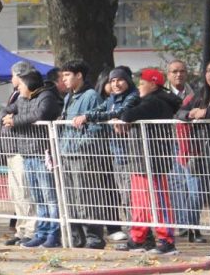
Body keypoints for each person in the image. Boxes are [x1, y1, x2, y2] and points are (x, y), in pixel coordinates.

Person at [116, 68, 181, 254]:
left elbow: (127, 115)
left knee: (158, 202)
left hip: (153, 161)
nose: (138, 87)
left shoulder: (155, 101)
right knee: (140, 203)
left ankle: (166, 240)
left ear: (153, 84)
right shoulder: (150, 99)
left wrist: (125, 113)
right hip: (141, 160)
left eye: (142, 82)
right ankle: (138, 238)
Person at [74, 67, 140, 242]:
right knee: (123, 195)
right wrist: (87, 115)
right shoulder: (111, 98)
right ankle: (134, 232)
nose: (116, 84)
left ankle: (138, 234)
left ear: (128, 81)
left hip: (132, 154)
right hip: (116, 154)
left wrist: (89, 118)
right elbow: (100, 109)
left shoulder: (133, 96)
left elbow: (117, 112)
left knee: (131, 196)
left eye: (120, 80)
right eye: (112, 81)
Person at [2, 68, 63, 248]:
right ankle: (41, 232)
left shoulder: (46, 96)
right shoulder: (21, 98)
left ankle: (53, 234)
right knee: (38, 198)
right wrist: (4, 118)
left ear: (28, 84)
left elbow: (40, 114)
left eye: (20, 84)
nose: (18, 88)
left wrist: (15, 121)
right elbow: (7, 110)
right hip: (26, 154)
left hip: (42, 153)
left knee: (49, 197)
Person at [177, 59, 210, 259]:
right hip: (209, 155)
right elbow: (180, 111)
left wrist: (208, 112)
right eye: (208, 71)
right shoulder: (202, 94)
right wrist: (189, 115)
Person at [55, 61, 104, 248]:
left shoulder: (91, 96)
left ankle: (94, 237)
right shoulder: (69, 97)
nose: (64, 79)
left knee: (87, 196)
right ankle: (76, 236)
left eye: (67, 75)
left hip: (84, 155)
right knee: (70, 197)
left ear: (79, 75)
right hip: (66, 154)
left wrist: (79, 145)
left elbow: (97, 128)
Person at [0, 62, 37, 245]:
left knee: (24, 191)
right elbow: (4, 112)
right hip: (10, 150)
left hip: (21, 148)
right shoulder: (17, 95)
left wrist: (12, 120)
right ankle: (21, 229)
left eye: (13, 75)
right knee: (15, 194)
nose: (12, 78)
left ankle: (30, 229)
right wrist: (5, 117)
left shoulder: (28, 95)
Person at [165, 60, 203, 243]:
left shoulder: (195, 93)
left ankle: (192, 225)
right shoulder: (162, 93)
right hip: (169, 143)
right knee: (177, 186)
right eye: (174, 71)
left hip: (191, 146)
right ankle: (183, 224)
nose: (178, 74)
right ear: (168, 74)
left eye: (182, 71)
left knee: (195, 188)